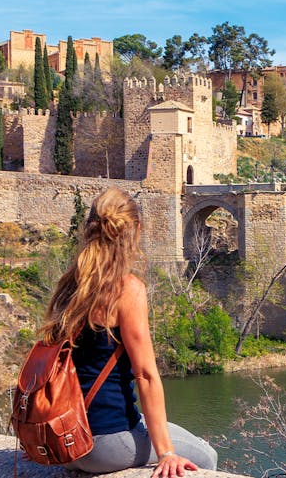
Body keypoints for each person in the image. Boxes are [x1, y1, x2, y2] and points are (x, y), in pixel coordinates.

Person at [40, 187, 217, 478]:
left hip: (63, 443)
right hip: (105, 444)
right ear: (135, 230)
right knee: (205, 456)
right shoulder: (125, 289)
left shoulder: (69, 285)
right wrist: (167, 453)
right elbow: (145, 375)